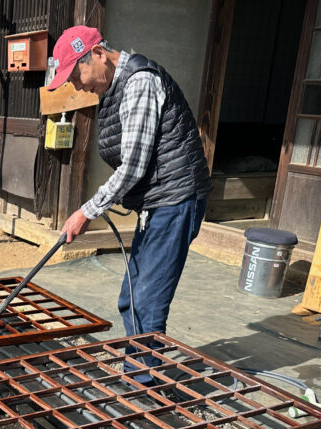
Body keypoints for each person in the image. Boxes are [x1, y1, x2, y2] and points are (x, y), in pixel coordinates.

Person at [47, 26, 211, 340]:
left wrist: (86, 212)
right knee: (132, 299)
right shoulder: (115, 88)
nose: (78, 86)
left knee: (147, 303)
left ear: (97, 54)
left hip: (175, 200)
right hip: (157, 202)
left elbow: (133, 166)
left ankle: (144, 371)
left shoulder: (140, 82)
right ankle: (138, 367)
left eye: (76, 76)